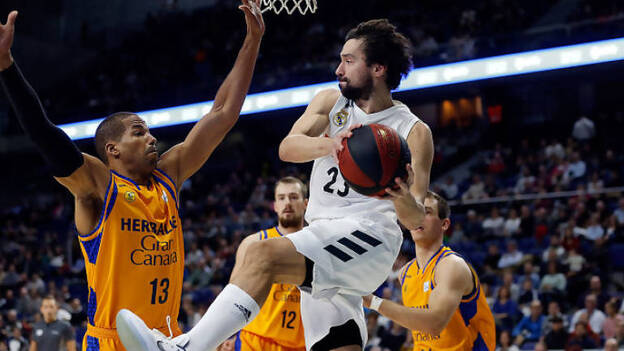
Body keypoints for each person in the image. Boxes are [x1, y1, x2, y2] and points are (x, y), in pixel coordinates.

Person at [117, 18, 433, 351]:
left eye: (349, 61)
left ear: (378, 68)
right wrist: (332, 145)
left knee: (260, 253)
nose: (338, 68)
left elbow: (415, 220)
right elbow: (287, 147)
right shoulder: (330, 103)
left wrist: (399, 194)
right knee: (338, 344)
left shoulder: (412, 130)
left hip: (369, 238)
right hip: (321, 237)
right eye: (340, 59)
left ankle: (185, 348)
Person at [0, 1, 264, 350]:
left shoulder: (170, 175)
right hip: (111, 342)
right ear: (113, 150)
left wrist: (253, 40)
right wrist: (6, 66)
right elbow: (45, 133)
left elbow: (223, 112)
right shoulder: (99, 186)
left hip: (167, 340)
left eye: (149, 131)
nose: (151, 137)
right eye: (138, 132)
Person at [362, 191, 496, 350]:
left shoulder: (451, 265)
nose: (418, 217)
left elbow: (434, 324)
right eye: (416, 211)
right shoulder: (405, 273)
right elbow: (418, 326)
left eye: (426, 212)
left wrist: (373, 302)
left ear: (444, 224)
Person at [230, 177, 308, 351]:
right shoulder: (254, 243)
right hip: (255, 341)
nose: (287, 203)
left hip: (301, 345)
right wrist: (226, 335)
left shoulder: (317, 244)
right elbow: (232, 296)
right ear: (275, 206)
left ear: (306, 203)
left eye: (294, 197)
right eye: (281, 198)